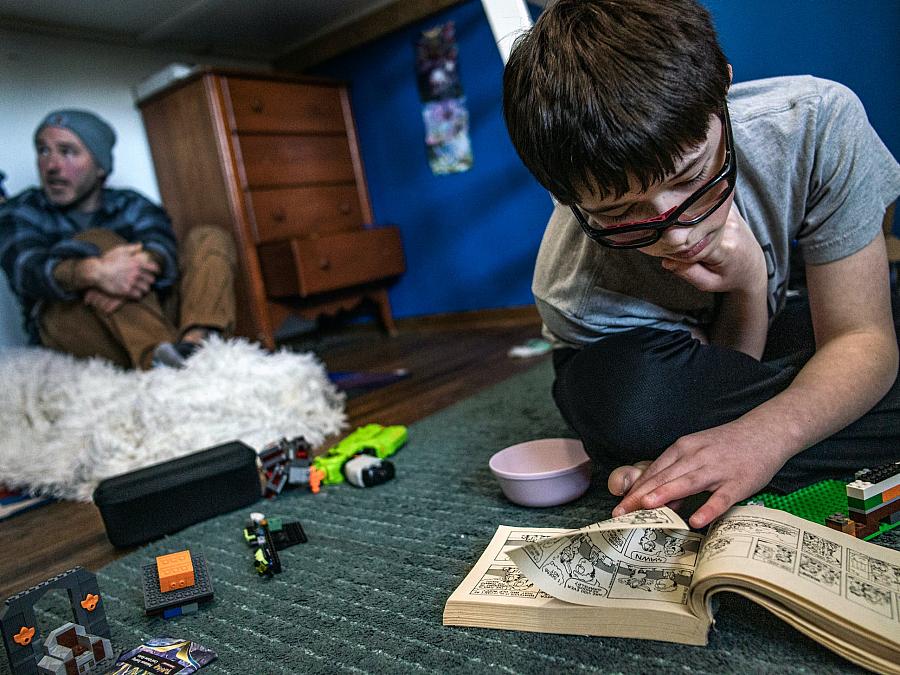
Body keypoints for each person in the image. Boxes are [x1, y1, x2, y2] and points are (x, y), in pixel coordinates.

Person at [502, 0, 900, 528]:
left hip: (805, 307)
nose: (678, 234)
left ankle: (672, 463)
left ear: (724, 91)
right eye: (621, 214)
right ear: (566, 199)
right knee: (631, 410)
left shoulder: (817, 124)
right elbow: (728, 373)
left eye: (692, 178)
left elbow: (858, 335)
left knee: (862, 348)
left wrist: (763, 437)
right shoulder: (572, 287)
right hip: (682, 362)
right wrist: (748, 289)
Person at [0, 109, 237, 370]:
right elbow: (26, 271)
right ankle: (164, 365)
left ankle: (193, 344)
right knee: (97, 241)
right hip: (76, 325)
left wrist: (129, 272)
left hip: (151, 309)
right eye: (44, 151)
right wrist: (93, 273)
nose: (52, 165)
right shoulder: (21, 210)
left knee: (209, 237)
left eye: (67, 151)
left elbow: (162, 246)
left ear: (101, 166)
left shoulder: (131, 203)